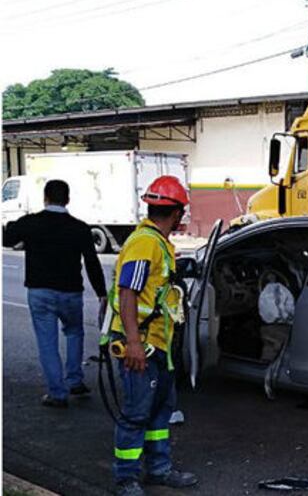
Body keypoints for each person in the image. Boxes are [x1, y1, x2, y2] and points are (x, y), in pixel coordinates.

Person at [108, 175, 197, 496]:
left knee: (160, 410)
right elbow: (128, 292)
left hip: (157, 344)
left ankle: (159, 469)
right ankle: (126, 478)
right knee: (136, 413)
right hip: (140, 345)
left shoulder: (157, 242)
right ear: (176, 213)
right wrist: (133, 341)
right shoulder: (145, 243)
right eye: (181, 212)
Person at [3, 179, 107, 408]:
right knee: (74, 333)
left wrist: (15, 223)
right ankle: (75, 380)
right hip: (71, 293)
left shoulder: (31, 223)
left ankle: (57, 393)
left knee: (47, 343)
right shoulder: (79, 228)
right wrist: (102, 292)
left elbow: (8, 238)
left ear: (45, 198)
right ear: (67, 199)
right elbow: (92, 262)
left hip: (40, 293)